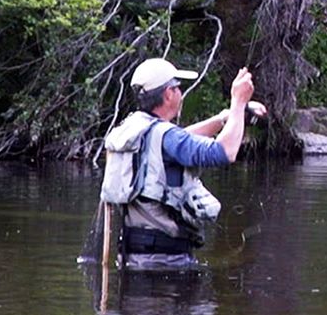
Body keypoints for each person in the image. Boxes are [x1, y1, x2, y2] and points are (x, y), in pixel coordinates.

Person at [103, 57, 260, 271]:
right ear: (168, 94)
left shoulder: (133, 128)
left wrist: (225, 118)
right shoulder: (165, 136)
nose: (180, 93)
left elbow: (180, 138)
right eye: (178, 87)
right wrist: (238, 102)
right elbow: (226, 151)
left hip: (133, 259)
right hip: (167, 264)